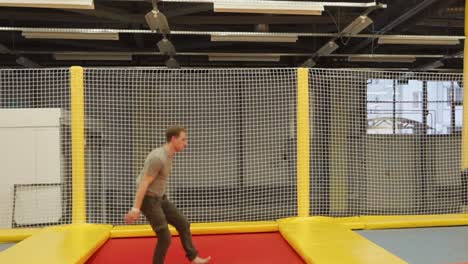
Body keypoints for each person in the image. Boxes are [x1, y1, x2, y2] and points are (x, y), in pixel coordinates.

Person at [125, 126, 211, 264]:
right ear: (173, 139)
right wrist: (136, 209)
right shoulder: (158, 158)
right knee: (165, 236)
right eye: (183, 140)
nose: (186, 143)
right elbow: (143, 183)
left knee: (183, 224)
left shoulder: (170, 155)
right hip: (149, 200)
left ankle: (193, 257)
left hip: (160, 198)